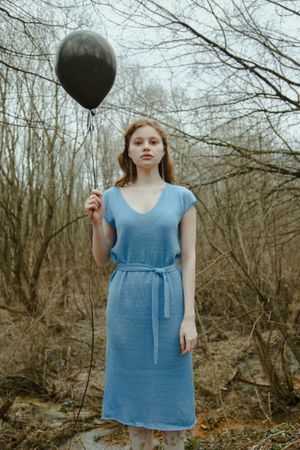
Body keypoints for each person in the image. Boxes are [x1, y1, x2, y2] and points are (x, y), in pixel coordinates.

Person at [84, 118, 198, 450]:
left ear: (163, 150)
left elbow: (188, 258)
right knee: (134, 406)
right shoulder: (111, 197)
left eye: (152, 141)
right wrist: (95, 223)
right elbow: (102, 258)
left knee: (172, 399)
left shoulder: (182, 197)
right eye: (138, 142)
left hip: (170, 301)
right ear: (128, 152)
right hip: (126, 305)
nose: (145, 146)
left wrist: (189, 317)